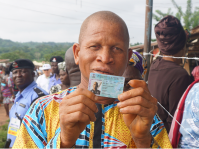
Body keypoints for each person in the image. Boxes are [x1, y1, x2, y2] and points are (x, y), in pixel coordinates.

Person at [13, 11, 171, 148]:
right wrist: (63, 141)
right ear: (77, 53)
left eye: (117, 49)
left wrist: (143, 141)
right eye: (95, 46)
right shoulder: (43, 111)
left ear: (128, 58)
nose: (105, 58)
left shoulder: (143, 113)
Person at [148, 15, 193, 133]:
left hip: (151, 134)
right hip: (166, 141)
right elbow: (176, 121)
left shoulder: (154, 66)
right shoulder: (180, 75)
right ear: (182, 45)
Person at [7, 59, 49, 147]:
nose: (18, 75)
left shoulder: (39, 97)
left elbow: (47, 130)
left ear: (33, 74)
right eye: (15, 72)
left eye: (23, 72)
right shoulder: (19, 96)